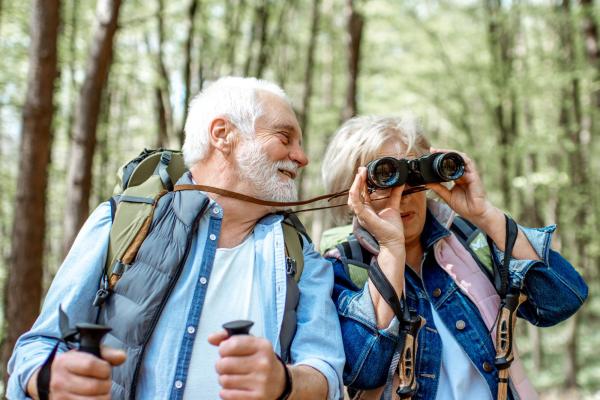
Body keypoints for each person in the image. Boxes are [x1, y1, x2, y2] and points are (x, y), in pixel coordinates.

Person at [7, 77, 345, 400]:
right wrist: (50, 379)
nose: (302, 158)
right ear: (222, 134)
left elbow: (326, 374)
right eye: (285, 138)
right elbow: (36, 348)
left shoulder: (302, 256)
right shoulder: (122, 221)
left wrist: (284, 383)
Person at [320, 115, 588, 400]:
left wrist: (485, 215)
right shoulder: (344, 268)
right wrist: (391, 250)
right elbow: (364, 370)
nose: (404, 194)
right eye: (385, 177)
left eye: (414, 175)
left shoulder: (469, 241)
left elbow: (562, 300)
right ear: (351, 194)